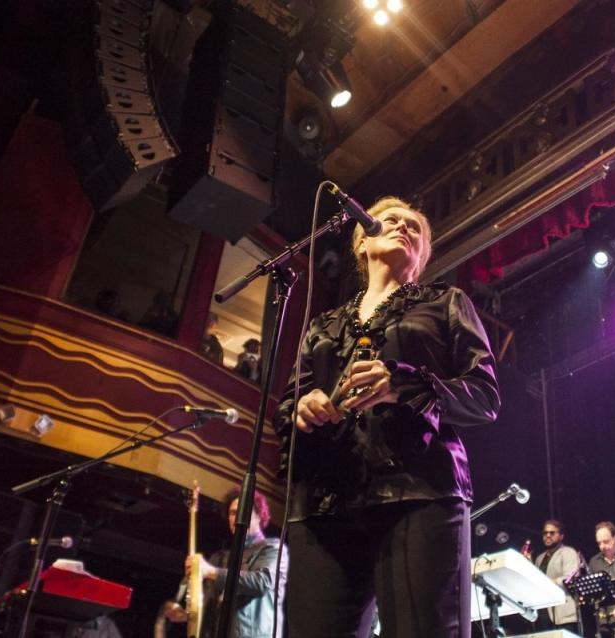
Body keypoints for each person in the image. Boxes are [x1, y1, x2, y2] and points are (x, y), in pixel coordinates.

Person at [277, 196, 500, 637]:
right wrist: (303, 409)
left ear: (420, 256)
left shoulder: (445, 303)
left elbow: (486, 397)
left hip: (419, 492)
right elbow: (287, 404)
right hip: (327, 501)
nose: (404, 228)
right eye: (391, 220)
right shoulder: (322, 325)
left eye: (414, 228)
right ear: (361, 243)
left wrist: (406, 385)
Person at [163, 489, 287, 638]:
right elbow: (208, 603)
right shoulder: (219, 558)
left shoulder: (273, 548)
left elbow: (262, 582)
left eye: (242, 511)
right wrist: (188, 614)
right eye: (232, 513)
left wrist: (210, 572)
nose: (236, 518)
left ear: (259, 515)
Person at [527, 519, 584, 631]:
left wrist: (549, 582)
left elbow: (570, 578)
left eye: (552, 533)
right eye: (545, 533)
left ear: (561, 536)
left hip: (563, 615)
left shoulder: (568, 552)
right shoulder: (539, 558)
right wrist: (527, 564)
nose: (548, 535)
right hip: (544, 614)